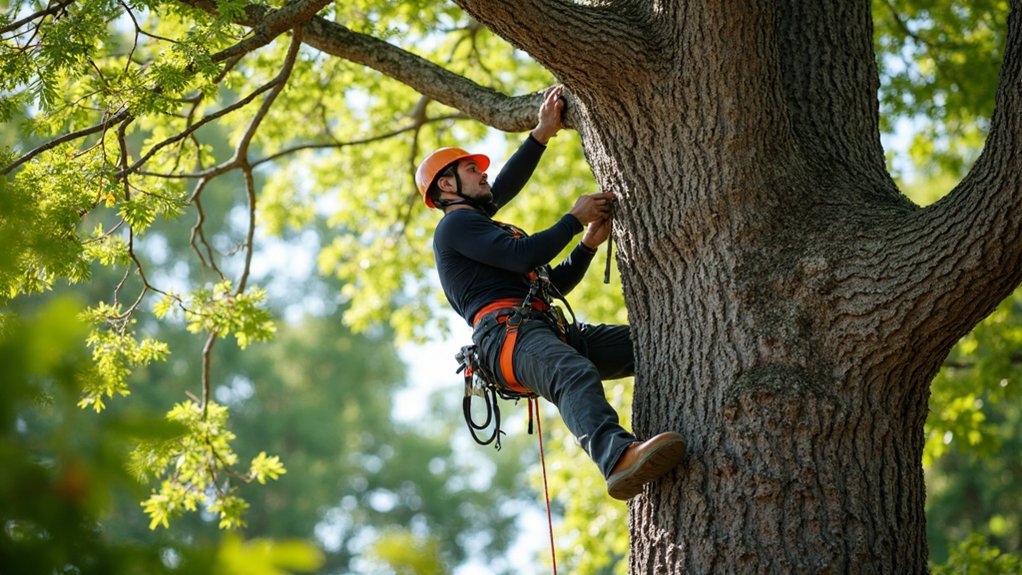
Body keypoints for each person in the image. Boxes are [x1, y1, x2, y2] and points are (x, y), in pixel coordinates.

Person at [416, 86, 685, 500]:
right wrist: (572, 220)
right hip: (509, 336)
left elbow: (552, 284)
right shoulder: (455, 226)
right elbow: (525, 254)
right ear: (447, 185)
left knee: (650, 344)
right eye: (472, 169)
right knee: (572, 372)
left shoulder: (480, 226)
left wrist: (587, 244)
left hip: (542, 328)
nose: (483, 173)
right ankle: (617, 459)